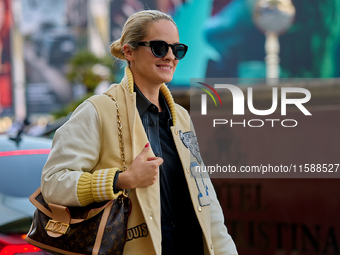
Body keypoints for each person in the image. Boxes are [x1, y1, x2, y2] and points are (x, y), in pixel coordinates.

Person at [41, 10, 238, 255]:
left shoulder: (181, 117)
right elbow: (53, 183)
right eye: (158, 47)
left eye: (177, 49)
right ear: (129, 51)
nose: (170, 56)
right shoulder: (97, 111)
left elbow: (205, 198)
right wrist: (121, 180)